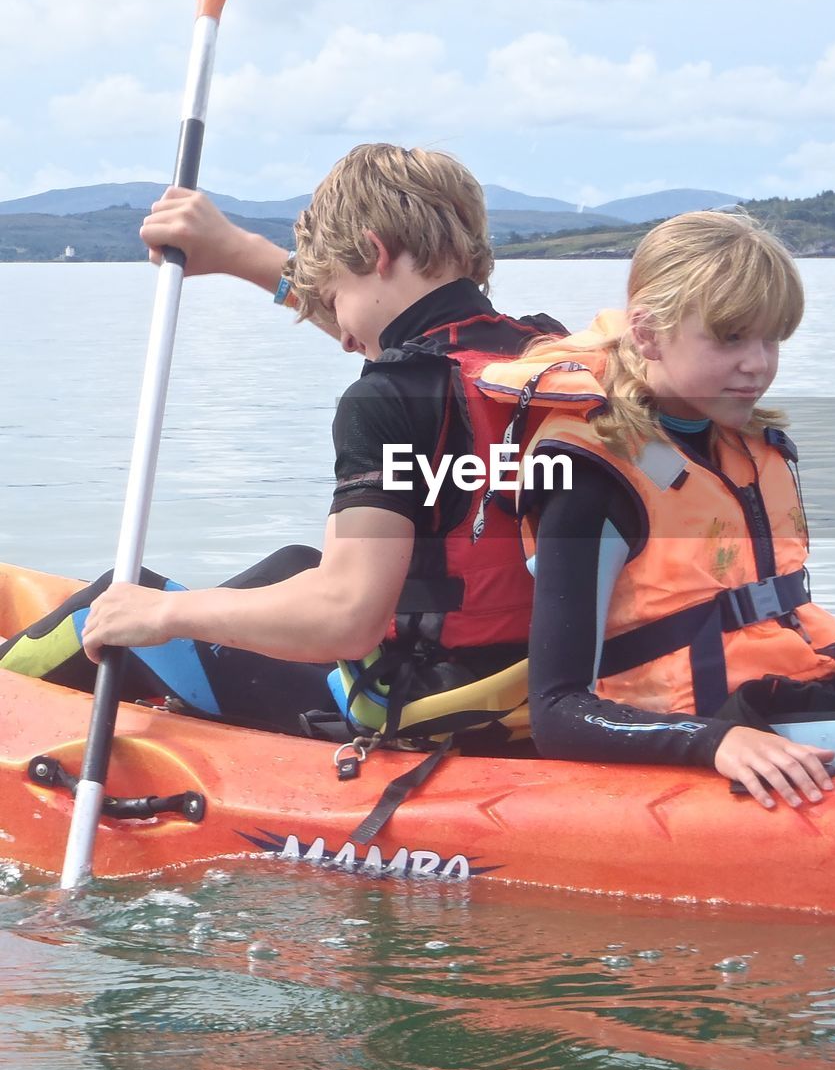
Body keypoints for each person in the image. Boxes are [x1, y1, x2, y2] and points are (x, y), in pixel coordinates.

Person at [1, 144, 563, 744]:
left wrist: (162, 614)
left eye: (334, 295)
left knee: (112, 604)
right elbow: (408, 354)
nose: (343, 337)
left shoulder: (390, 397)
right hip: (517, 682)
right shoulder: (546, 355)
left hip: (419, 703)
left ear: (373, 252)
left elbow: (347, 617)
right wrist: (240, 255)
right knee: (299, 562)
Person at [479, 210, 835, 806]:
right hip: (712, 727)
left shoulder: (740, 445)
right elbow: (556, 711)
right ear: (649, 334)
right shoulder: (591, 477)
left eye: (772, 338)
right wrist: (715, 742)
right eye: (731, 337)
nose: (758, 363)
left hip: (798, 698)